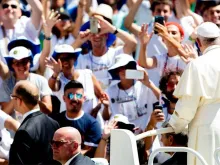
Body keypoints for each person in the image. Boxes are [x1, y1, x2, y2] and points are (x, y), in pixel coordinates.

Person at [169, 22, 220, 165]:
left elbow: (187, 107)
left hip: (207, 131)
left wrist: (174, 125)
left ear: (198, 42)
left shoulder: (197, 65)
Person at [73, 3, 137, 89]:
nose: (97, 35)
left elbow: (132, 44)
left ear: (107, 34)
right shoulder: (82, 59)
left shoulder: (117, 54)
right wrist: (79, 41)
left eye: (100, 31)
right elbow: (61, 58)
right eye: (94, 30)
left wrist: (111, 29)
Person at [9, 80, 60, 164]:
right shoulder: (54, 123)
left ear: (19, 100)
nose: (12, 100)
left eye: (12, 97)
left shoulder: (23, 132)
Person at [106, 54, 160, 131]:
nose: (123, 70)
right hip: (122, 134)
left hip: (144, 133)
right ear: (116, 71)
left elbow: (162, 99)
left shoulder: (144, 84)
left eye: (127, 67)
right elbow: (106, 117)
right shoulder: (110, 90)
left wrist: (149, 84)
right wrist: (105, 107)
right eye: (120, 68)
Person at [54, 80, 102, 157]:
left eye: (79, 96)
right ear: (64, 98)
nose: (75, 99)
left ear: (84, 98)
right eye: (70, 95)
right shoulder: (55, 121)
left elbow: (88, 150)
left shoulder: (92, 124)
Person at [0, 46, 53, 115]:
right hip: (17, 125)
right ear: (12, 65)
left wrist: (32, 99)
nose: (21, 66)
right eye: (17, 63)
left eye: (24, 62)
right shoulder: (6, 84)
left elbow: (49, 109)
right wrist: (17, 97)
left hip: (37, 124)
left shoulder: (41, 80)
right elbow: (4, 114)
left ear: (29, 62)